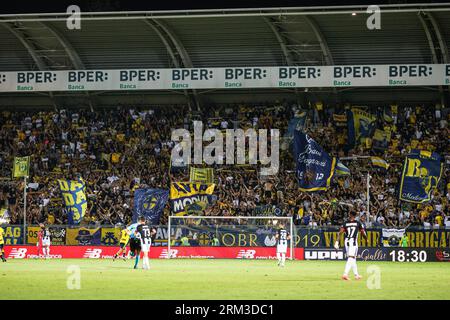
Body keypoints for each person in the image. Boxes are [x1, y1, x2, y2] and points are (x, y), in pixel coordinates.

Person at [334, 211, 367, 281]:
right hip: (353, 242)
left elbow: (339, 233)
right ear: (355, 216)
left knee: (353, 258)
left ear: (350, 215)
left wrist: (337, 242)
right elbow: (363, 233)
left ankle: (356, 275)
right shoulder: (358, 223)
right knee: (351, 257)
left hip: (347, 242)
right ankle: (345, 274)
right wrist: (366, 239)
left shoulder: (345, 223)